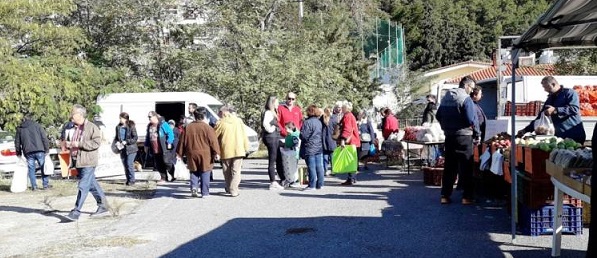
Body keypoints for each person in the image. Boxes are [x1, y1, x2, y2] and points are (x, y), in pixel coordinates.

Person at [436, 76, 480, 205]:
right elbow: (471, 119)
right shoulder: (465, 99)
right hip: (464, 137)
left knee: (449, 167)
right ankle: (467, 197)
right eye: (471, 88)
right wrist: (477, 134)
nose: (472, 91)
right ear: (466, 86)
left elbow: (438, 115)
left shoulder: (446, 97)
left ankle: (445, 196)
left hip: (449, 136)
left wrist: (447, 126)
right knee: (466, 167)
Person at [66, 104, 108, 221]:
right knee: (92, 185)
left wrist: (78, 144)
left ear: (79, 115)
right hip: (78, 161)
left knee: (83, 186)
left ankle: (76, 211)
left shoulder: (92, 127)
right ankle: (103, 206)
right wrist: (70, 145)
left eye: (73, 114)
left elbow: (96, 143)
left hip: (88, 161)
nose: (71, 117)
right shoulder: (75, 128)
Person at [516, 76, 586, 144]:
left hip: (574, 134)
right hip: (559, 137)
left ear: (553, 84)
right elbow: (539, 118)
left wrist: (556, 110)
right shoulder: (550, 99)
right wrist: (525, 130)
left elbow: (574, 108)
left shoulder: (569, 93)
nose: (545, 90)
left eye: (546, 87)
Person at [177, 107, 220, 198]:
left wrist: (180, 153)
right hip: (205, 154)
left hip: (191, 152)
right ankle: (205, 193)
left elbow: (182, 141)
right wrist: (216, 153)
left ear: (194, 116)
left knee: (193, 171)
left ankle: (194, 187)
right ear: (204, 116)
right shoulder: (207, 128)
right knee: (205, 171)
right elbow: (213, 142)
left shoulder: (188, 127)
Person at [215, 105, 249, 197]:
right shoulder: (239, 121)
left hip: (226, 149)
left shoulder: (221, 123)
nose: (218, 114)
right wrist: (246, 147)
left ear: (224, 113)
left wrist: (215, 150)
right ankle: (234, 190)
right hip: (239, 149)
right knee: (236, 171)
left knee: (227, 171)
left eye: (219, 112)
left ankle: (230, 187)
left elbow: (214, 135)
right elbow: (244, 134)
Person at [15, 114, 50, 191]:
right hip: (39, 149)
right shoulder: (37, 126)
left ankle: (34, 186)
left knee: (31, 169)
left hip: (28, 152)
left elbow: (17, 142)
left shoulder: (20, 129)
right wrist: (47, 149)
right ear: (32, 119)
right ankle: (45, 185)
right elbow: (44, 137)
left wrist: (18, 152)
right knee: (43, 167)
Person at [276, 92, 303, 185]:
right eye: (289, 98)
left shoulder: (297, 109)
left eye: (292, 99)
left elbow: (300, 122)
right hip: (284, 136)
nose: (290, 100)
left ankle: (293, 178)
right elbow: (277, 122)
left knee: (294, 157)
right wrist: (284, 131)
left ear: (295, 100)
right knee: (283, 158)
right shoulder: (281, 108)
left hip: (295, 137)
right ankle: (284, 178)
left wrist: (298, 132)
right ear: (286, 98)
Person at [144, 111, 175, 184]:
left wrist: (169, 142)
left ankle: (172, 174)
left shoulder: (163, 124)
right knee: (158, 164)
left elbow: (170, 133)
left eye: (150, 117)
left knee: (166, 162)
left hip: (163, 147)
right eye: (148, 117)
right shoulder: (149, 126)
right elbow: (148, 136)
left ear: (155, 116)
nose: (149, 118)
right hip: (155, 148)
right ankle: (163, 178)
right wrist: (146, 145)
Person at [261, 96, 284, 190]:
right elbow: (265, 124)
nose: (278, 104)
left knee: (278, 158)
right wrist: (272, 129)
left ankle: (282, 178)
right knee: (272, 159)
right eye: (277, 102)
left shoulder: (273, 112)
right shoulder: (268, 112)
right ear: (272, 103)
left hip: (275, 137)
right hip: (271, 137)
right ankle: (273, 181)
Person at [300, 105, 324, 190]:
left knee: (311, 167)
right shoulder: (319, 122)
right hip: (318, 146)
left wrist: (300, 133)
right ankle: (320, 184)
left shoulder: (307, 122)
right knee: (319, 166)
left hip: (310, 147)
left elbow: (304, 136)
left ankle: (312, 185)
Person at [113, 112, 138, 186]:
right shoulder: (118, 127)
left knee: (129, 163)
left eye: (121, 118)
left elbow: (135, 138)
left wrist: (126, 141)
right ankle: (128, 180)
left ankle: (132, 180)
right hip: (122, 149)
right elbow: (117, 137)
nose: (120, 119)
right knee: (125, 165)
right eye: (119, 118)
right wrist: (117, 142)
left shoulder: (131, 126)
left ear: (125, 119)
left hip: (131, 149)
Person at [338, 101, 361, 185]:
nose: (342, 109)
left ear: (346, 108)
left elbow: (347, 129)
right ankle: (353, 178)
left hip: (350, 141)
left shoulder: (347, 116)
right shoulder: (351, 116)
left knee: (349, 160)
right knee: (353, 160)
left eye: (343, 107)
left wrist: (343, 140)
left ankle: (350, 179)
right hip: (355, 140)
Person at [321, 107, 337, 175]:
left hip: (323, 140)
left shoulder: (321, 119)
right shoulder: (333, 120)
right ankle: (334, 170)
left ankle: (325, 170)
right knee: (332, 157)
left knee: (325, 157)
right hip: (332, 140)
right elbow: (337, 129)